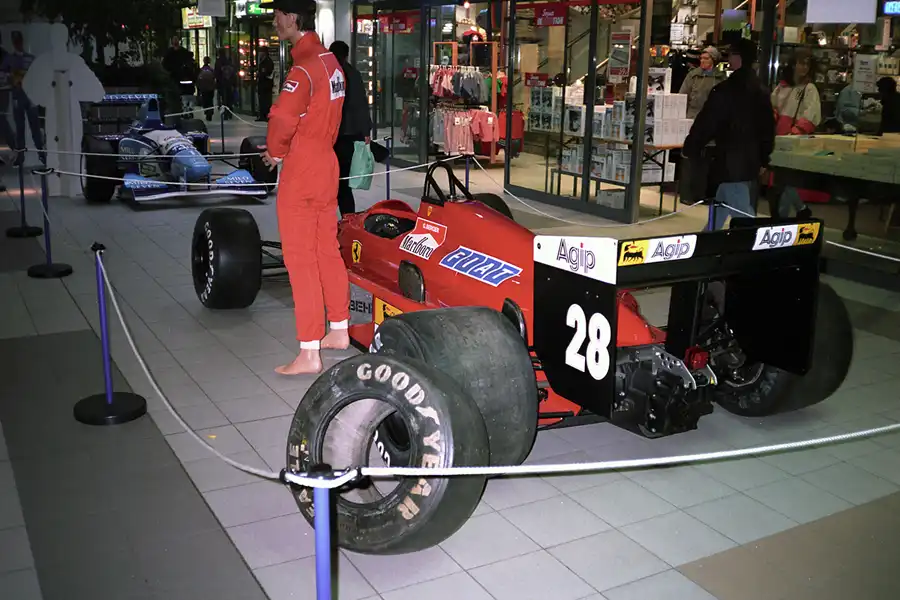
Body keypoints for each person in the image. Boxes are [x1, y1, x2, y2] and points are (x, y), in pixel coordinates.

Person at [261, 0, 349, 375]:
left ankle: (309, 350)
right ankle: (340, 329)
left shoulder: (303, 68)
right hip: (328, 164)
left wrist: (275, 152)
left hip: (303, 169)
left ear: (292, 17)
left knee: (300, 260)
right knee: (327, 250)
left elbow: (282, 116)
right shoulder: (332, 64)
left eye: (278, 14)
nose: (275, 22)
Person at [682, 38, 775, 230]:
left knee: (743, 214)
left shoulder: (726, 90)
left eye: (731, 54)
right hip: (750, 159)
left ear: (738, 58)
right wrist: (764, 158)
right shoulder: (761, 91)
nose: (729, 59)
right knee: (722, 202)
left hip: (729, 158)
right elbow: (767, 128)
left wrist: (692, 145)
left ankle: (756, 246)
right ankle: (708, 239)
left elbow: (708, 122)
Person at [677, 46, 727, 206]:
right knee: (689, 159)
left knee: (705, 161)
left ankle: (701, 194)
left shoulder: (721, 78)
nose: (703, 61)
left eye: (707, 59)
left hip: (711, 123)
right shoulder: (693, 76)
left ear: (714, 60)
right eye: (702, 58)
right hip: (691, 119)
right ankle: (686, 193)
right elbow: (682, 96)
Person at [329, 40, 372, 216]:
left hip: (335, 134)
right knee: (344, 181)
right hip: (351, 133)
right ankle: (348, 217)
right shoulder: (354, 73)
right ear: (346, 55)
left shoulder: (331, 73)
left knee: (335, 181)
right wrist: (365, 131)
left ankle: (339, 218)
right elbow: (362, 103)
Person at [0, 31, 44, 165]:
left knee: (35, 127)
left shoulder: (30, 58)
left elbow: (37, 76)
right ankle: (20, 156)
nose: (17, 43)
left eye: (18, 41)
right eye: (15, 41)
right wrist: (10, 79)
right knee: (20, 129)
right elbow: (2, 75)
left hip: (30, 97)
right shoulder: (9, 59)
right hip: (17, 96)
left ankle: (42, 154)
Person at [162, 36, 195, 113]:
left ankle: (184, 108)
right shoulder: (169, 53)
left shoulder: (183, 53)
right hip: (173, 78)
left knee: (183, 95)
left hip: (182, 79)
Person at [215, 50, 237, 120]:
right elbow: (233, 73)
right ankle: (230, 112)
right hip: (229, 83)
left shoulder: (218, 62)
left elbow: (216, 73)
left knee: (223, 99)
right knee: (229, 98)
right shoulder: (229, 61)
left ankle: (225, 114)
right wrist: (234, 83)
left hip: (221, 83)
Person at [256, 46, 275, 121]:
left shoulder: (268, 61)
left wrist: (261, 73)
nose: (260, 53)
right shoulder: (262, 61)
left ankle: (266, 115)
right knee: (261, 100)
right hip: (262, 84)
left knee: (266, 100)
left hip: (266, 85)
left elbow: (267, 72)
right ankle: (262, 115)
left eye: (261, 51)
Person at [196, 56, 217, 121]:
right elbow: (214, 78)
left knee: (205, 100)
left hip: (203, 88)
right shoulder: (211, 70)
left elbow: (198, 80)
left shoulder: (201, 70)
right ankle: (210, 112)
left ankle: (207, 111)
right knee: (210, 100)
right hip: (210, 88)